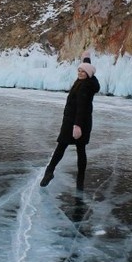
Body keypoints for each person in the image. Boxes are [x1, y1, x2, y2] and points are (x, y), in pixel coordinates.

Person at [40, 53, 101, 190]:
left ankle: (51, 172)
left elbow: (81, 107)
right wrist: (86, 59)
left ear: (88, 74)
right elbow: (88, 68)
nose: (79, 73)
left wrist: (77, 126)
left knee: (70, 148)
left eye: (82, 71)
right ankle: (77, 182)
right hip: (73, 121)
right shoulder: (86, 81)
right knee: (67, 147)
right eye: (79, 71)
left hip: (77, 122)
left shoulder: (85, 87)